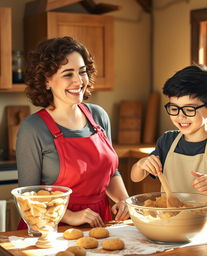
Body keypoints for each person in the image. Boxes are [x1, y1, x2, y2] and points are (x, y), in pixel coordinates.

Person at [16, 36, 129, 228]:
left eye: (82, 72)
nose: (79, 81)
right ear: (46, 81)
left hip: (100, 221)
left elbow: (110, 172)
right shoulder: (33, 128)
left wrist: (124, 200)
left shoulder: (98, 116)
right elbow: (27, 197)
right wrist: (70, 216)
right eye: (68, 74)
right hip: (51, 228)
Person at [131, 64, 207, 214]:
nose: (180, 116)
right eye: (174, 109)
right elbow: (135, 177)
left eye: (189, 109)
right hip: (170, 222)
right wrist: (142, 164)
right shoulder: (167, 141)